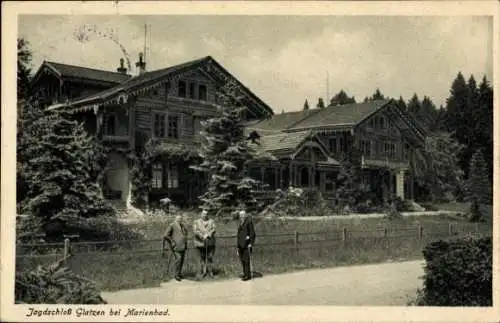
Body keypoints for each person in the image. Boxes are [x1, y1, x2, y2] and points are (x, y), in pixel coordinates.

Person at [193, 209, 216, 279]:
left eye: (206, 214)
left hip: (210, 243)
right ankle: (203, 272)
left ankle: (210, 272)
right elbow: (195, 231)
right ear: (201, 214)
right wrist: (202, 236)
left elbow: (214, 229)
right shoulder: (196, 222)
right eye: (203, 214)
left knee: (210, 257)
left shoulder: (211, 221)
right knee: (202, 258)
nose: (205, 215)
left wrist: (209, 234)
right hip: (200, 243)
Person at [163, 215, 188, 281]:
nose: (180, 220)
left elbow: (185, 233)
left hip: (183, 246)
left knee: (182, 260)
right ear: (175, 219)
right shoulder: (172, 225)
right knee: (178, 260)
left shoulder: (182, 225)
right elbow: (166, 234)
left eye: (180, 219)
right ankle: (176, 275)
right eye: (178, 219)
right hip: (176, 246)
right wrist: (172, 241)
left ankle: (179, 274)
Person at [236, 209, 256, 281]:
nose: (241, 216)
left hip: (247, 245)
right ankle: (245, 273)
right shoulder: (241, 223)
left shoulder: (249, 222)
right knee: (242, 260)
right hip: (241, 244)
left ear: (245, 215)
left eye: (242, 215)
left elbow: (252, 233)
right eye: (240, 215)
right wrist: (237, 247)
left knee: (246, 260)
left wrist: (251, 243)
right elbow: (238, 235)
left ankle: (248, 275)